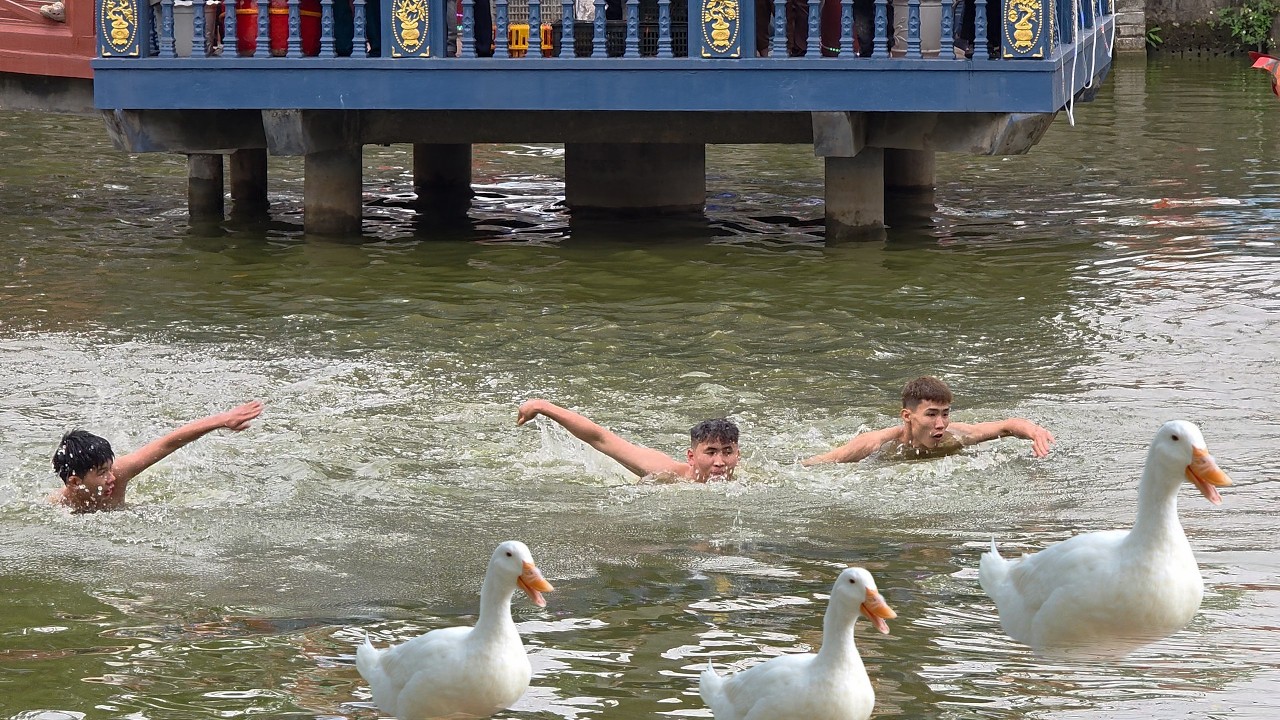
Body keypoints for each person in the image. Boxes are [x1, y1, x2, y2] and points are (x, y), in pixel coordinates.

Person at [50, 400, 264, 513]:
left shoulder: (120, 472)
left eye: (109, 469)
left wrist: (222, 420)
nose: (111, 478)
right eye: (102, 473)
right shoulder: (58, 506)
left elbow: (169, 442)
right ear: (75, 481)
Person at [802, 376, 1053, 465]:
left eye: (945, 413)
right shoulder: (876, 443)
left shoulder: (956, 436)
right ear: (907, 416)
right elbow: (821, 462)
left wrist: (1035, 431)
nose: (941, 424)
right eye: (931, 415)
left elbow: (1007, 425)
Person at [517, 398, 739, 483]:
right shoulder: (664, 472)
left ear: (737, 455)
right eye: (710, 452)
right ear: (691, 456)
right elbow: (600, 438)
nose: (720, 461)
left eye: (727, 452)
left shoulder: (752, 480)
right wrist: (543, 407)